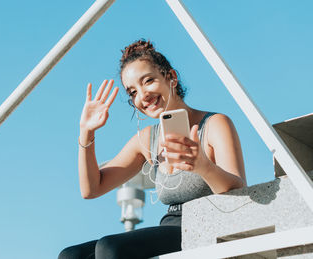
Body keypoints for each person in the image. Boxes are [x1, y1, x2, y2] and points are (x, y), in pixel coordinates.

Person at [58, 39, 246, 259]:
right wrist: (86, 132)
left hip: (206, 226)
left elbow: (238, 191)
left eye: (148, 81)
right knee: (71, 255)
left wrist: (203, 166)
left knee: (110, 248)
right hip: (170, 228)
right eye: (132, 92)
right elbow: (91, 189)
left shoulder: (214, 124)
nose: (142, 95)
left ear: (171, 77)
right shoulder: (147, 139)